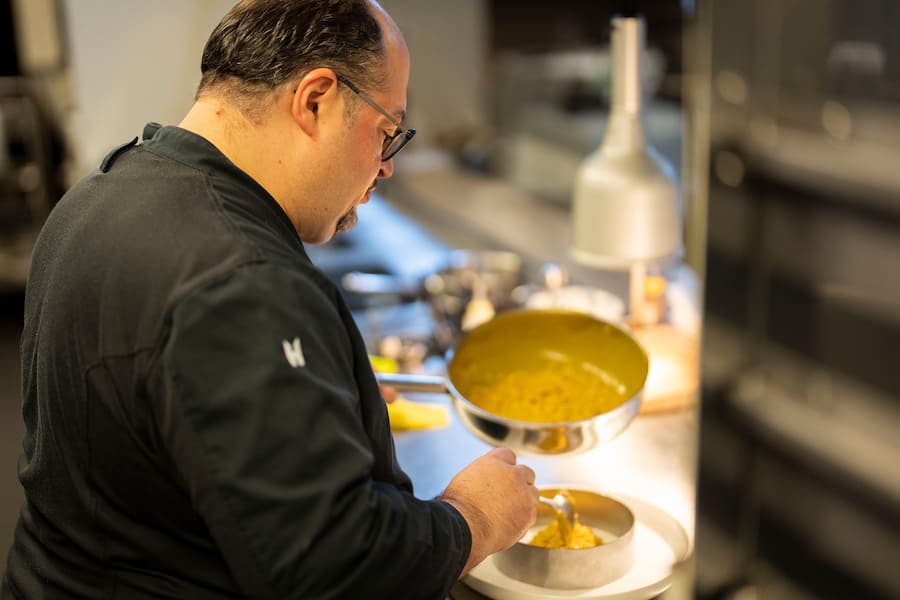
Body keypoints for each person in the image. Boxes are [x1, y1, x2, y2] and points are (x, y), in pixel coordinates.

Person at [1, 1, 539, 598]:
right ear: (316, 101)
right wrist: (473, 518)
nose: (385, 168)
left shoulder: (98, 194)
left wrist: (303, 403)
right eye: (387, 132)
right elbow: (338, 570)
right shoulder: (245, 283)